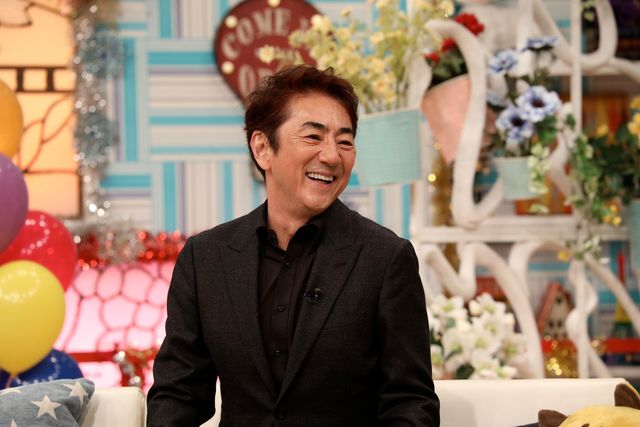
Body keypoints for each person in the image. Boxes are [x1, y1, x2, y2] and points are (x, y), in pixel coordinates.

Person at [147, 65, 439, 426]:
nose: (332, 156)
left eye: (345, 141)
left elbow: (410, 403)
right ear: (262, 148)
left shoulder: (385, 258)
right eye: (313, 137)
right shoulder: (205, 258)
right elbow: (178, 395)